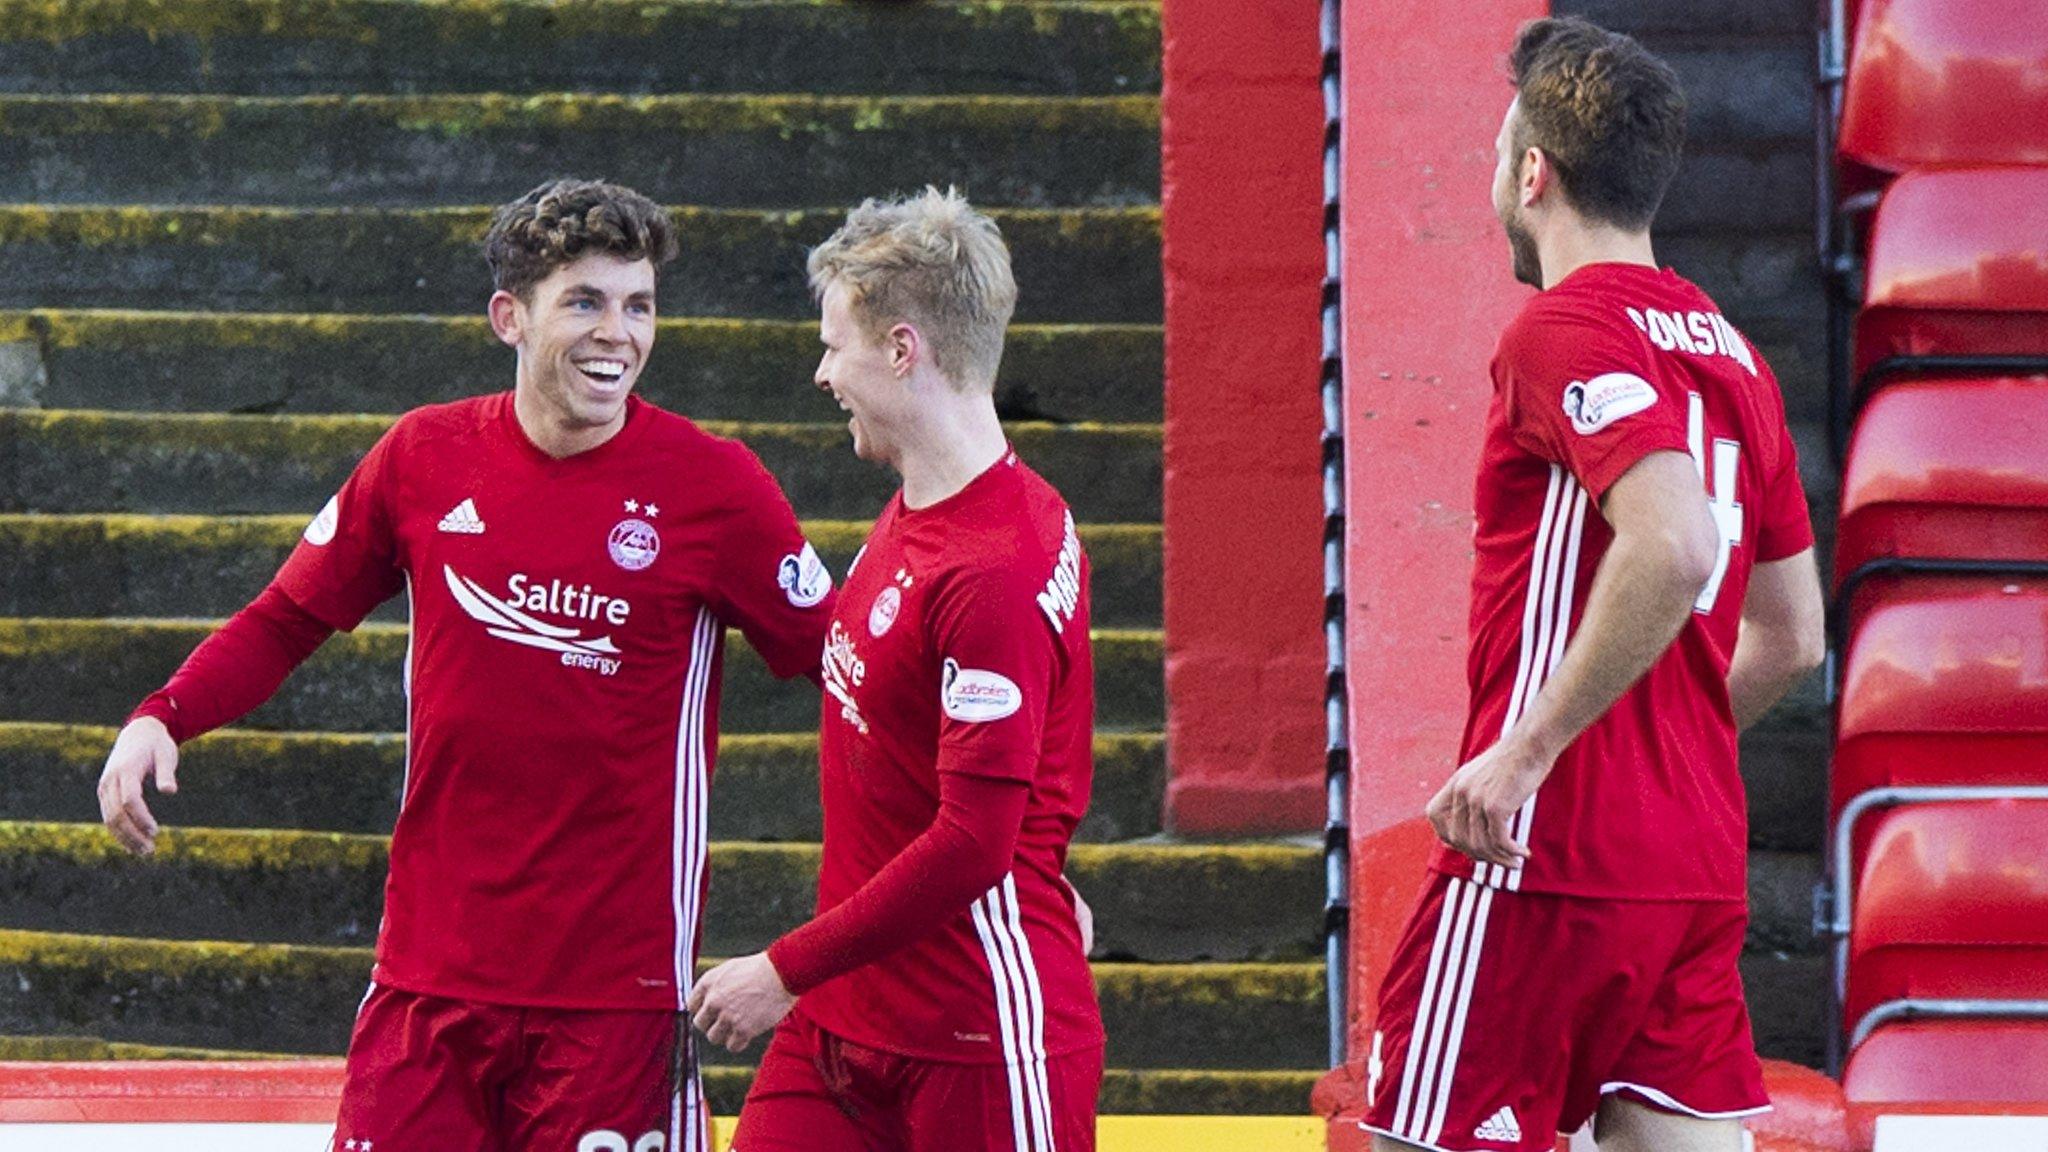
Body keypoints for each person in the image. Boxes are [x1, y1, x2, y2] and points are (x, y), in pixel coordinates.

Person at [94, 177, 838, 1152]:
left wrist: (1021, 844)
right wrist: (163, 715)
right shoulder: (423, 457)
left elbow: (856, 673)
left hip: (613, 1003)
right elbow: (285, 619)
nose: (617, 333)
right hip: (428, 987)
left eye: (638, 305)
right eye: (584, 301)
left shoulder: (715, 487)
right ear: (509, 317)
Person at [1363, 18, 1826, 1152]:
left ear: (1533, 172)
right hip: (1692, 862)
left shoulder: (1561, 329)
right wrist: (1664, 753)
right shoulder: (1729, 351)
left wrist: (1530, 752)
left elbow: (1670, 544)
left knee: (1406, 1135)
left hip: (1543, 856)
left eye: (1493, 156)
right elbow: (1794, 639)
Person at [686, 187, 1105, 1152]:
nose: (823, 371)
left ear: (903, 349)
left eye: (836, 344)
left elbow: (971, 841)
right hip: (847, 1024)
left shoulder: (994, 564)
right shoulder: (930, 504)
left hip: (980, 1043)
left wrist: (781, 971)